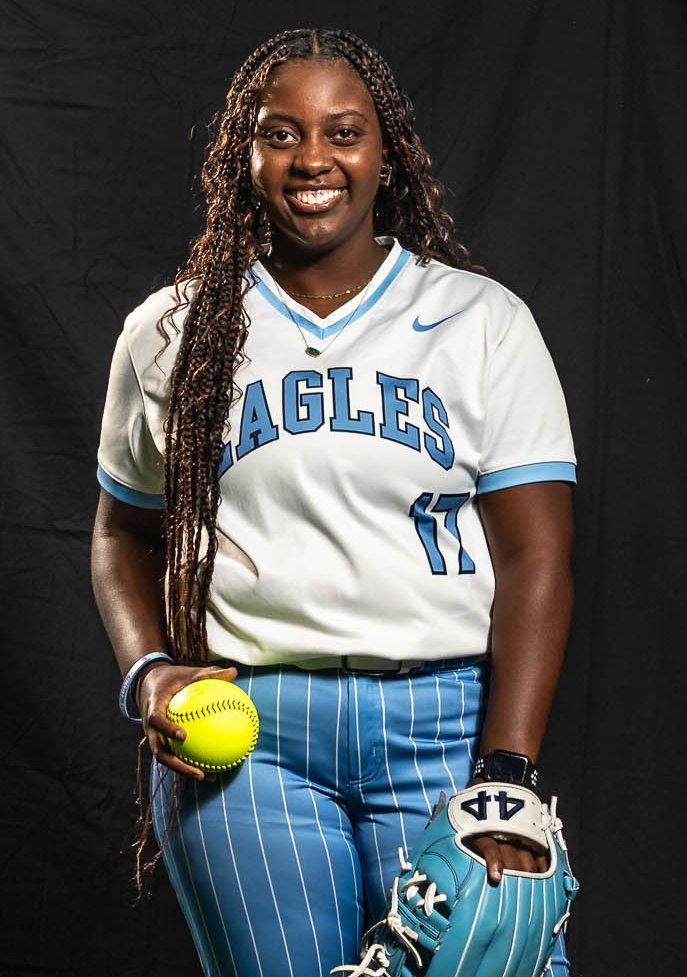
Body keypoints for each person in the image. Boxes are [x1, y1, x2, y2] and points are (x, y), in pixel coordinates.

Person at [91, 27, 576, 977]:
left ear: (385, 154)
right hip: (249, 733)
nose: (313, 158)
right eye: (281, 134)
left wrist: (506, 774)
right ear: (244, 156)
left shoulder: (481, 321)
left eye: (343, 132)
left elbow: (537, 558)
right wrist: (148, 674)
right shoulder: (171, 330)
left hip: (444, 724)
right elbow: (121, 532)